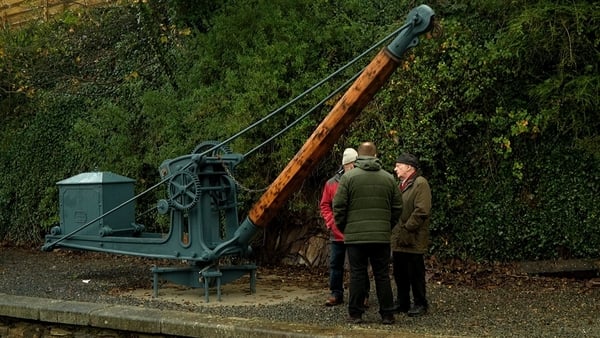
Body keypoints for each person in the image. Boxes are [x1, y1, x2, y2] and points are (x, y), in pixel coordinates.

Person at [333, 142, 402, 325]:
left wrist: (345, 228)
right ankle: (387, 314)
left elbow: (338, 207)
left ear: (358, 157)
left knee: (357, 274)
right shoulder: (388, 179)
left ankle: (355, 314)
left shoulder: (348, 178)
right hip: (380, 237)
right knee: (382, 275)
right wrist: (387, 226)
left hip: (356, 237)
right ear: (376, 155)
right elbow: (397, 207)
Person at [391, 153, 432, 317]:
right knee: (399, 272)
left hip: (413, 238)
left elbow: (422, 210)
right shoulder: (400, 185)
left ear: (409, 167)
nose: (395, 169)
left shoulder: (420, 184)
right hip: (399, 237)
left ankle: (420, 303)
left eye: (398, 166)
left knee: (415, 272)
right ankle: (402, 302)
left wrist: (407, 228)